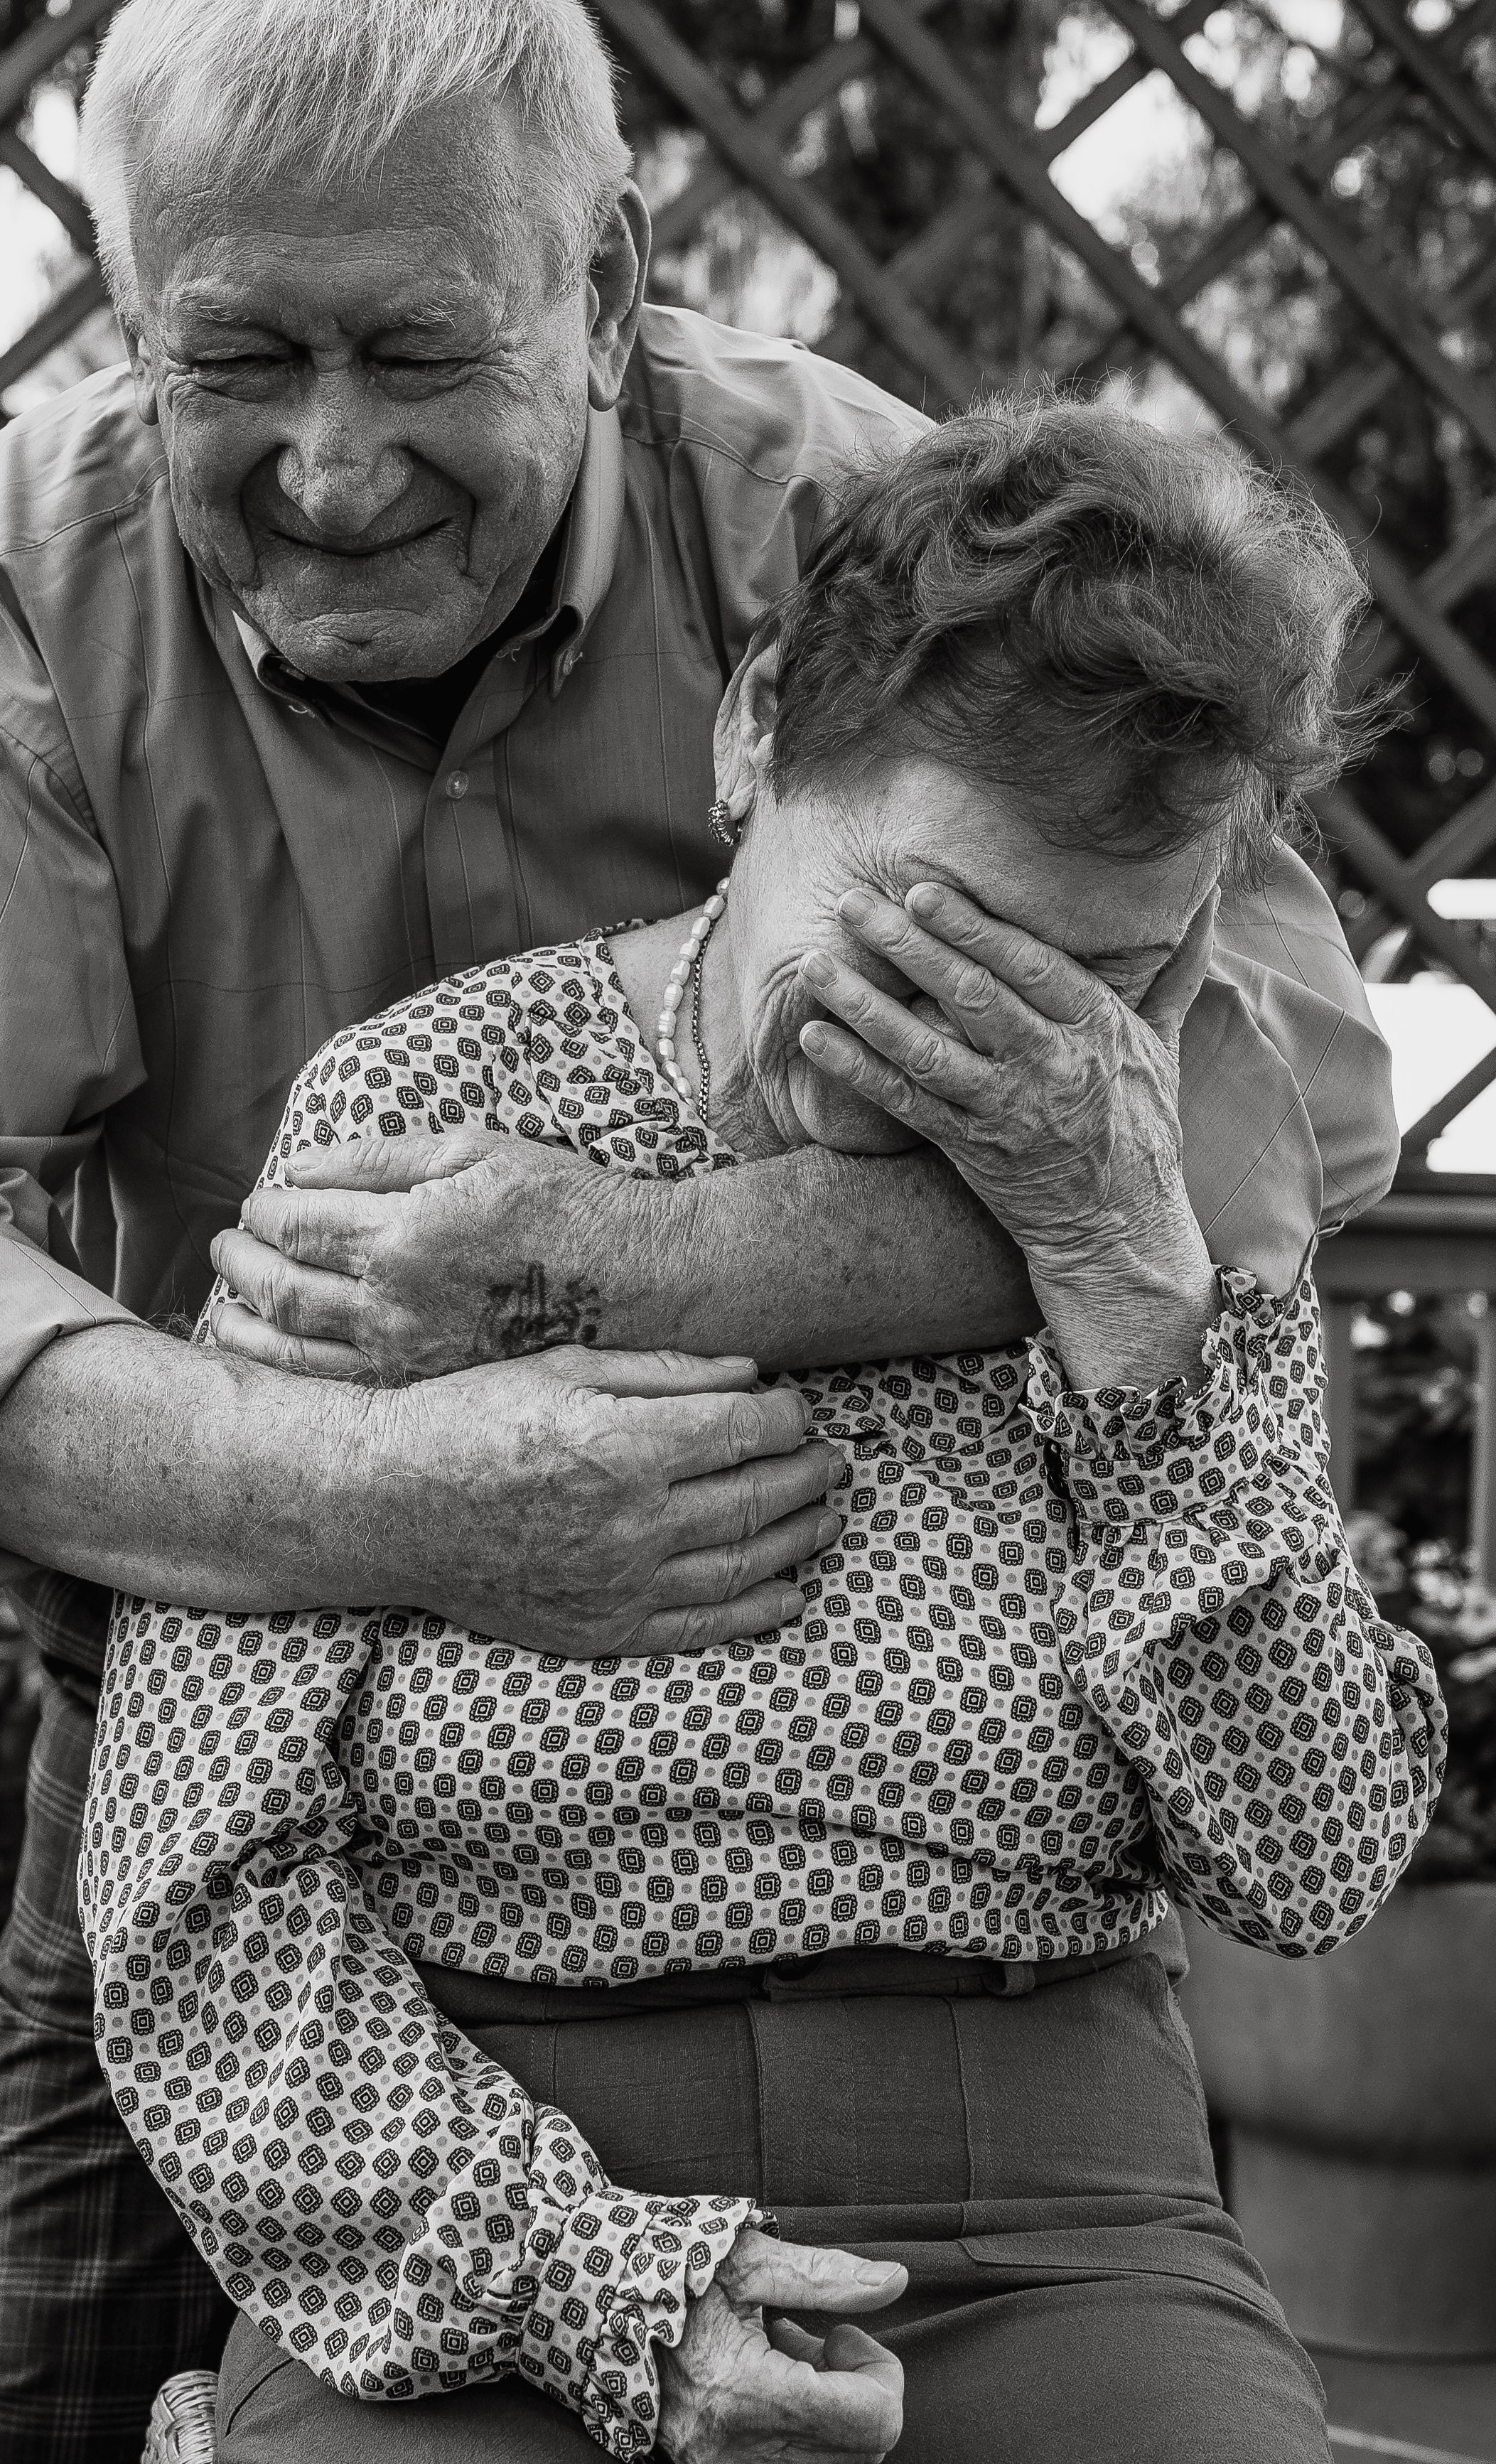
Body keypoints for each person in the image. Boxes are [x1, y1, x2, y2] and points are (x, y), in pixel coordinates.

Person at [0, 1, 1394, 2456]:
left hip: (1014, 2121)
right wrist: (398, 1492)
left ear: (602, 275)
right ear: (124, 301)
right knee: (55, 2388)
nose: (332, 466)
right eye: (233, 355)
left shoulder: (891, 539)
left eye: (424, 350)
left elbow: (1256, 1100)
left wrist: (602, 1259)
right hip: (229, 1711)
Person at [81, 402, 1444, 2464]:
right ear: (752, 742)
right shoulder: (429, 1113)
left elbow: (1311, 1858)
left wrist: (1138, 1304)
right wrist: (592, 2276)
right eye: (911, 928)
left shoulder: (1153, 1149)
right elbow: (200, 1875)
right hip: (492, 2196)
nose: (970, 1057)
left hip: (1054, 2222)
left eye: (1097, 968)